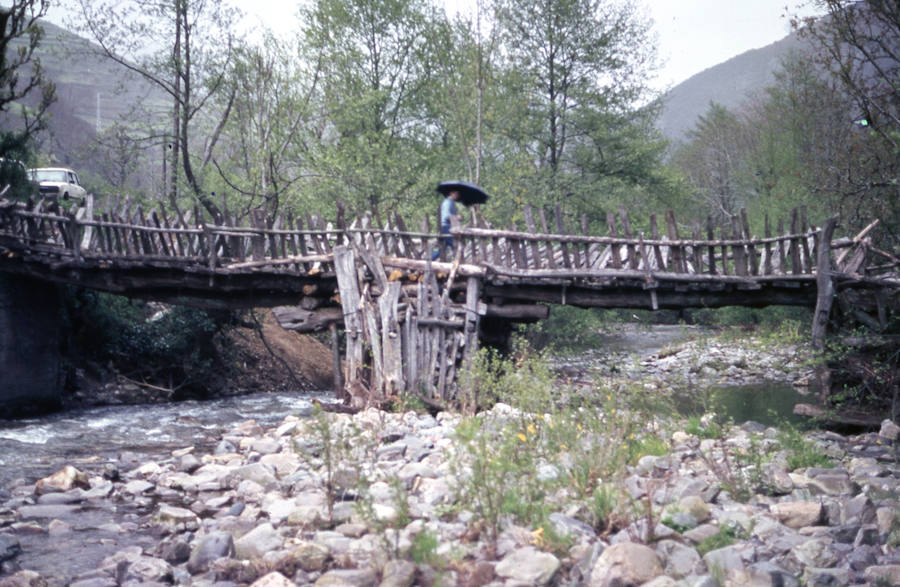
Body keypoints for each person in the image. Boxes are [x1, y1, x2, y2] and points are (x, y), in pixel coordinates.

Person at [433, 189, 460, 260]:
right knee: (454, 245)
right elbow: (446, 216)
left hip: (448, 227)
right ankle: (457, 262)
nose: (458, 195)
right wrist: (456, 217)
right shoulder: (448, 202)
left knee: (443, 247)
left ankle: (430, 259)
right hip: (446, 227)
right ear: (451, 193)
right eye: (456, 193)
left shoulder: (451, 202)